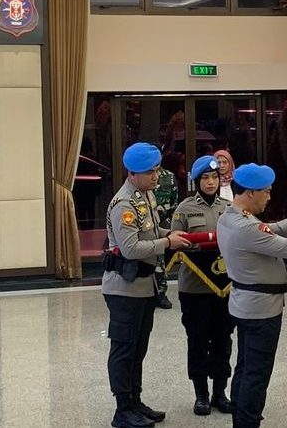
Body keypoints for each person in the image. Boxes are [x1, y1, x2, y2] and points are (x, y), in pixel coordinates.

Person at [216, 163, 287, 428]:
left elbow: (268, 230)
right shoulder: (245, 227)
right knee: (256, 373)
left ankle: (241, 417)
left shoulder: (232, 216)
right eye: (266, 192)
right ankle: (248, 421)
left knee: (245, 367)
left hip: (247, 305)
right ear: (250, 193)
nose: (269, 197)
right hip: (260, 310)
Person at [102, 142, 193, 428]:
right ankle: (122, 409)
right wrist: (168, 243)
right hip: (124, 288)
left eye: (156, 170)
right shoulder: (124, 204)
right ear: (133, 173)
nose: (157, 176)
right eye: (151, 172)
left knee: (138, 349)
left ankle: (135, 400)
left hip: (143, 285)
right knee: (124, 348)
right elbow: (130, 248)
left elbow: (150, 229)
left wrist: (169, 232)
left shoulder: (144, 196)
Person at [171, 156, 234, 416]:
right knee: (197, 340)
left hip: (224, 288)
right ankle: (201, 394)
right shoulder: (183, 210)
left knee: (223, 339)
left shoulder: (230, 208)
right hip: (194, 288)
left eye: (214, 177)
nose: (210, 182)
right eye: (205, 179)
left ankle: (220, 392)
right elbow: (176, 246)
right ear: (196, 182)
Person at [154, 166, 179, 309]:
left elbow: (174, 203)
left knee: (160, 261)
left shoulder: (169, 176)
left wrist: (171, 226)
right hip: (145, 223)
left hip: (162, 223)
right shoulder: (140, 173)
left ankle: (161, 293)